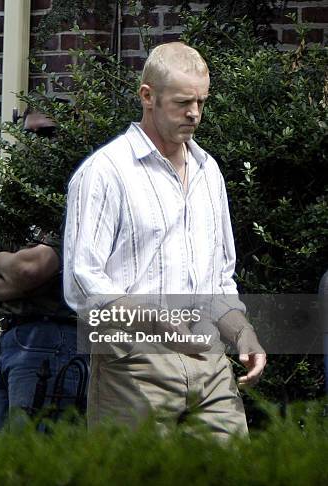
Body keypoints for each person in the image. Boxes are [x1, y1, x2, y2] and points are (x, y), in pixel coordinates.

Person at [63, 42, 266, 440]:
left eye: (201, 102)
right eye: (182, 102)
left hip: (209, 362)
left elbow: (219, 281)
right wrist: (157, 321)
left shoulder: (209, 171)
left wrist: (241, 331)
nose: (194, 113)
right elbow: (83, 287)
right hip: (135, 364)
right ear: (147, 96)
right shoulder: (106, 172)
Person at [0, 108, 88, 442]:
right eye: (29, 134)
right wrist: (15, 275)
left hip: (51, 339)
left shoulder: (71, 198)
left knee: (33, 461)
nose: (37, 143)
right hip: (12, 340)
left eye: (47, 133)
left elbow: (32, 268)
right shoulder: (14, 200)